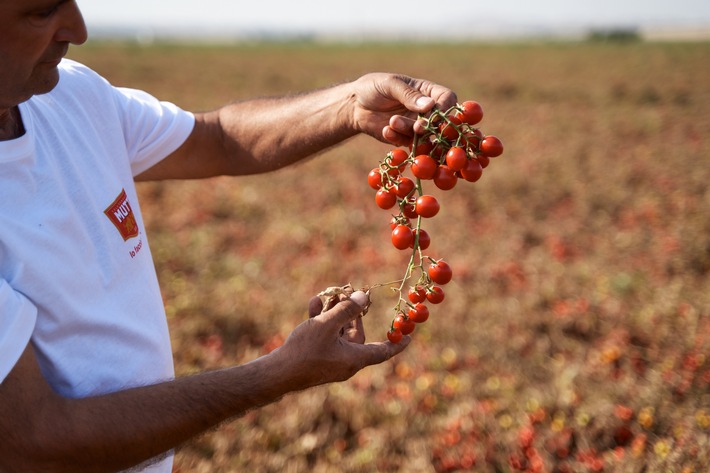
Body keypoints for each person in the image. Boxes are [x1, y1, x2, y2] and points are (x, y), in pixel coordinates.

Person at [0, 1, 458, 471]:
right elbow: (34, 441)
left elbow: (215, 138)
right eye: (41, 11)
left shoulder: (72, 95)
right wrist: (278, 374)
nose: (77, 29)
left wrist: (350, 106)